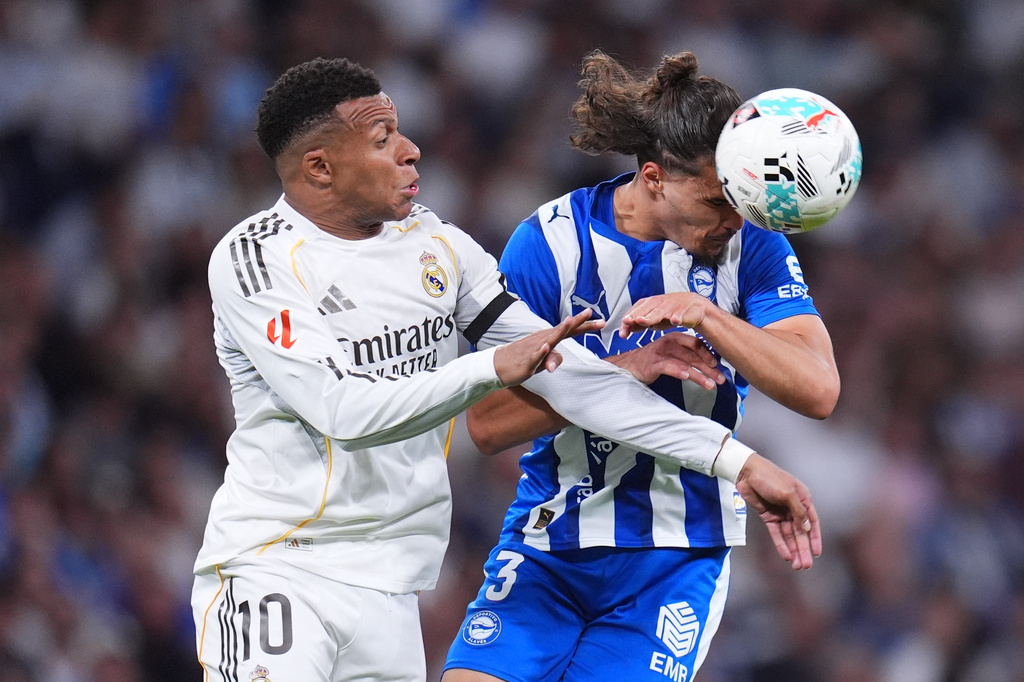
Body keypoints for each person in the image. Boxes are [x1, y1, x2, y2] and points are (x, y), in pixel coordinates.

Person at [190, 56, 821, 682]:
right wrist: (489, 367)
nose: (411, 151)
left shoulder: (440, 250)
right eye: (383, 139)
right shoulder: (258, 259)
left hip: (391, 588)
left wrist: (741, 463)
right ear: (320, 167)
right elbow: (340, 412)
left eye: (401, 132)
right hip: (280, 565)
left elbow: (576, 381)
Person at [443, 50, 840, 682]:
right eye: (715, 201)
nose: (731, 219)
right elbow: (487, 425)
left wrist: (709, 317)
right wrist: (626, 365)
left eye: (739, 199)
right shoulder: (548, 244)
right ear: (654, 178)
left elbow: (819, 389)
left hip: (674, 557)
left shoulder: (754, 244)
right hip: (550, 541)